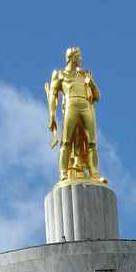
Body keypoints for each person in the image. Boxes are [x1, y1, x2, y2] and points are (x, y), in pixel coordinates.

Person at [46, 47, 105, 182]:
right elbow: (52, 96)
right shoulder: (60, 75)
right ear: (71, 57)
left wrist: (91, 83)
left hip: (85, 105)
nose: (81, 58)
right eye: (78, 56)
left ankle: (94, 174)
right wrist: (52, 116)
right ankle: (63, 173)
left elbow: (97, 96)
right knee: (66, 141)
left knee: (92, 142)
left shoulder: (85, 75)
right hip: (70, 104)